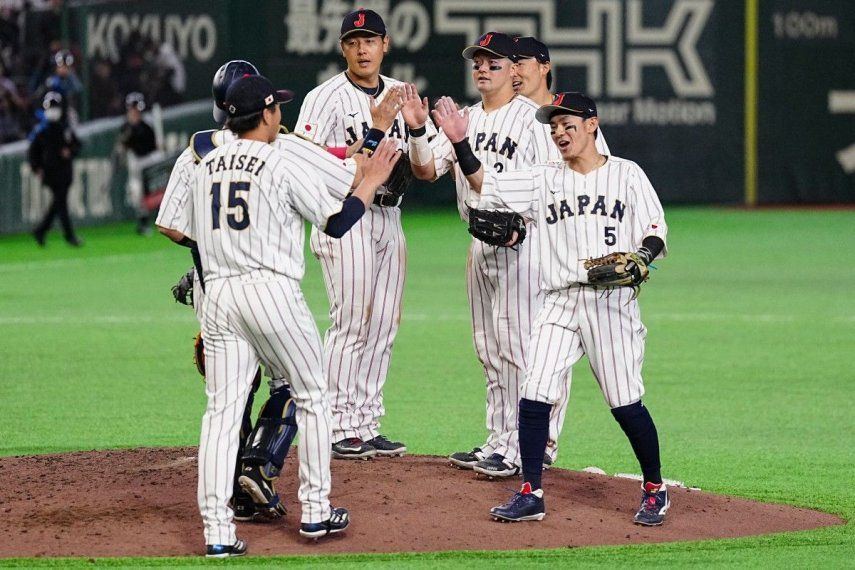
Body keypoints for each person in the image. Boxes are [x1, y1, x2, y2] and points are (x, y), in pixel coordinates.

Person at [183, 74, 400, 556]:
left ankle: (218, 533)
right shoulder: (278, 159)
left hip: (218, 296)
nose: (281, 112)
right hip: (269, 291)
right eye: (276, 106)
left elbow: (189, 235)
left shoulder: (205, 165)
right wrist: (371, 182)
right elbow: (339, 221)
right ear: (265, 114)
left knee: (221, 412)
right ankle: (317, 511)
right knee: (313, 394)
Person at [454, 91, 670, 526]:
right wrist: (460, 143)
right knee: (534, 392)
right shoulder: (544, 178)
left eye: (567, 125)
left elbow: (656, 230)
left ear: (593, 125)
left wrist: (642, 257)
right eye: (553, 128)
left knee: (625, 402)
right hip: (559, 300)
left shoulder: (627, 174)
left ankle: (654, 487)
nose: (559, 134)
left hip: (610, 304)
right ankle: (531, 491)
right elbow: (484, 183)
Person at [404, 31, 559, 478]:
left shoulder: (536, 119)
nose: (484, 69)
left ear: (516, 70)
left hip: (523, 247)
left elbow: (550, 184)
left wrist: (526, 220)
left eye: (494, 62)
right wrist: (418, 128)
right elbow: (425, 169)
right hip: (480, 246)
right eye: (479, 63)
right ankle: (498, 439)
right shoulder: (465, 118)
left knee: (516, 349)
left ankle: (520, 447)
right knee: (489, 350)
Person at [294, 8, 432, 460]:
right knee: (352, 321)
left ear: (385, 45)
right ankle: (334, 426)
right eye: (353, 42)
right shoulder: (323, 97)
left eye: (370, 40)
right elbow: (304, 161)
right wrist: (363, 147)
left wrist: (415, 127)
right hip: (344, 214)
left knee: (383, 324)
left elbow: (421, 164)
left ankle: (365, 423)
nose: (362, 48)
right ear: (343, 49)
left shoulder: (401, 93)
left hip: (390, 216)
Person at [28, 91, 82, 247]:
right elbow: (33, 153)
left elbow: (77, 145)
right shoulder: (42, 131)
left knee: (58, 204)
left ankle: (41, 230)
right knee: (61, 204)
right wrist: (36, 168)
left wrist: (69, 152)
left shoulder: (64, 128)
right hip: (52, 174)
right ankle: (69, 236)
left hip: (64, 173)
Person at [118, 92, 163, 235]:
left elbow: (155, 144)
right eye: (134, 108)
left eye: (138, 108)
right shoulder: (125, 126)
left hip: (150, 158)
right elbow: (123, 147)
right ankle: (143, 224)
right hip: (137, 161)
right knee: (137, 192)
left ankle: (165, 219)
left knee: (158, 191)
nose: (136, 111)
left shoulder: (147, 123)